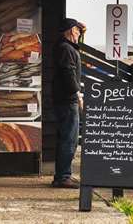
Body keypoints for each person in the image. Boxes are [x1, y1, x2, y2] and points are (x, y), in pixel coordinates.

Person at [51, 17, 85, 188]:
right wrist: (77, 94)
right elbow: (69, 74)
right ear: (72, 31)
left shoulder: (65, 47)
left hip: (63, 100)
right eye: (78, 31)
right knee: (69, 139)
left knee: (66, 137)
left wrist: (82, 30)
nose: (79, 33)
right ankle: (63, 176)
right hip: (67, 100)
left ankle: (62, 175)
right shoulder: (66, 49)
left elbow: (69, 71)